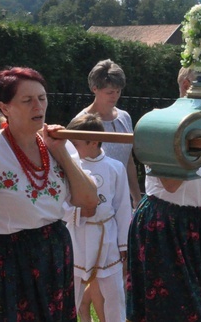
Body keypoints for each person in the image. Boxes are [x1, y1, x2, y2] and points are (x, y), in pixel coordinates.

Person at [0, 67, 98, 321]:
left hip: (52, 257)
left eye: (42, 98)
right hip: (6, 264)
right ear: (5, 108)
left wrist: (60, 153)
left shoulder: (58, 145)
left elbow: (88, 201)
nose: (38, 106)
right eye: (27, 100)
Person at [126, 67, 201, 322]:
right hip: (167, 227)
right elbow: (171, 184)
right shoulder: (161, 123)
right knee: (176, 311)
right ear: (187, 85)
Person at [64, 113, 132, 322]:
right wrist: (77, 213)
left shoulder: (115, 168)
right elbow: (59, 202)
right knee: (69, 291)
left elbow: (122, 207)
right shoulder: (69, 165)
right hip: (77, 236)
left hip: (106, 237)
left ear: (93, 141)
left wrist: (123, 244)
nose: (71, 148)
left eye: (75, 144)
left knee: (114, 294)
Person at [77, 59, 142, 209]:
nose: (115, 96)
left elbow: (128, 160)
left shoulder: (124, 117)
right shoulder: (82, 122)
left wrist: (137, 197)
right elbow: (75, 165)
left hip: (121, 196)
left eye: (118, 91)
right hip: (96, 197)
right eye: (109, 92)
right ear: (95, 89)